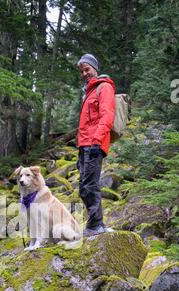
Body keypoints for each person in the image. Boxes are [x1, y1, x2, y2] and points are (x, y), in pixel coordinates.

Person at [77, 53, 115, 236]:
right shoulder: (89, 91)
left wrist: (96, 142)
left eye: (87, 69)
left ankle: (96, 225)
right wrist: (81, 147)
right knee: (83, 188)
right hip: (84, 145)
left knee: (90, 185)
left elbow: (106, 116)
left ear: (95, 69)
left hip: (94, 144)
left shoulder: (104, 87)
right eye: (82, 71)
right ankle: (94, 224)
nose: (84, 73)